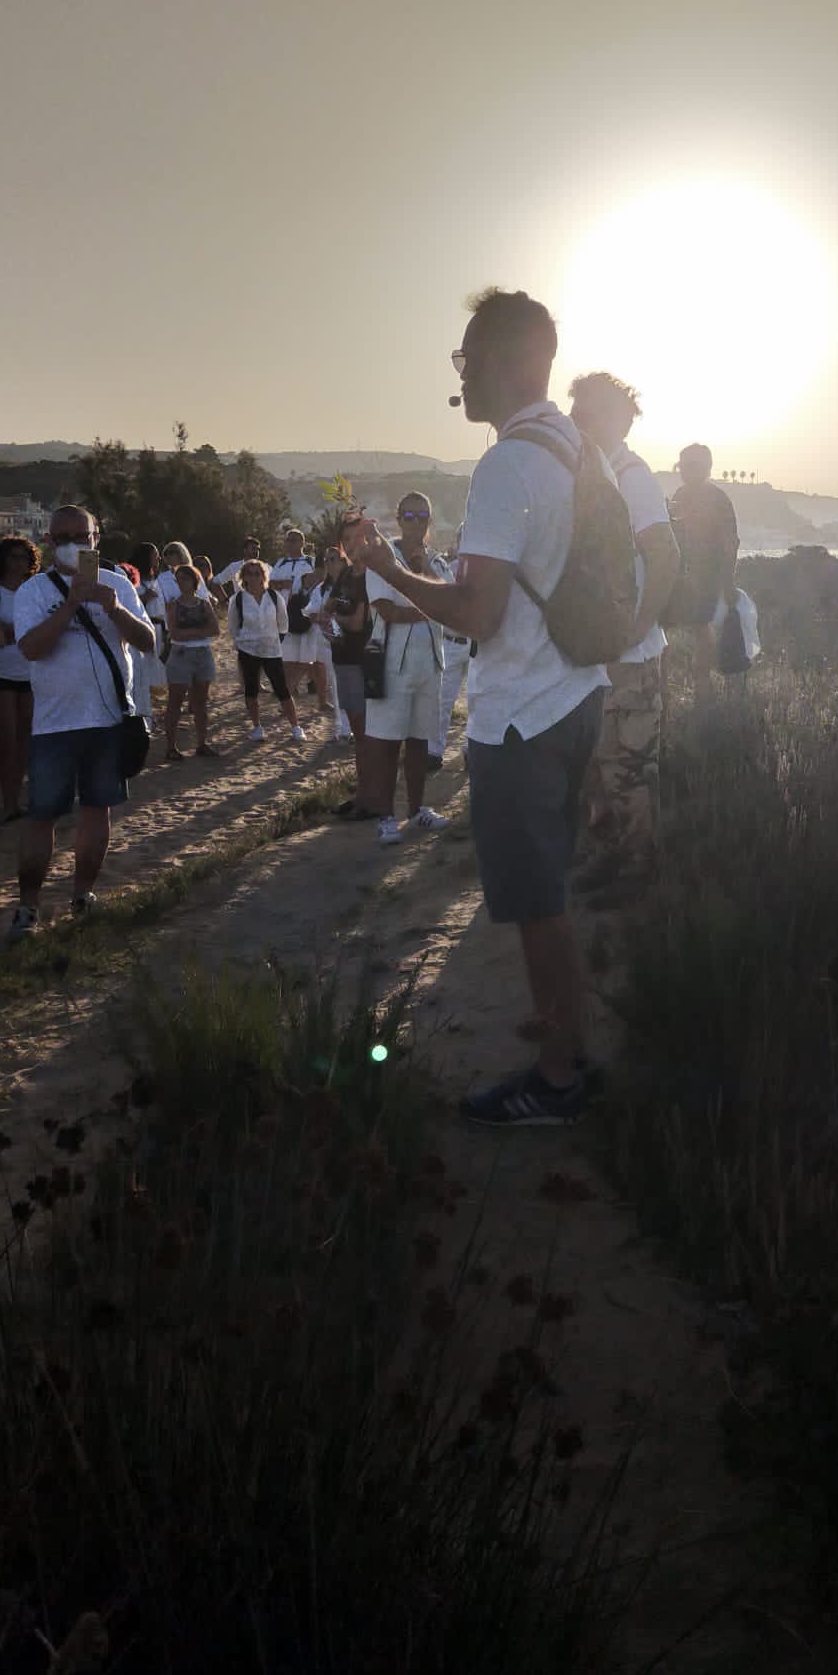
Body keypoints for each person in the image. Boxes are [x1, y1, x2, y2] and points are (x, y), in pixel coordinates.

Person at [353, 288, 609, 1125]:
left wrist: (388, 570)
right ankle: (566, 1039)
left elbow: (476, 614)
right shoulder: (574, 445)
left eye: (466, 358)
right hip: (575, 690)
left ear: (504, 359)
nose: (460, 375)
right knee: (552, 893)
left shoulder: (506, 465)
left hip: (522, 713)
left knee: (537, 903)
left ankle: (561, 1076)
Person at [8, 505, 155, 939]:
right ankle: (28, 907)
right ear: (50, 542)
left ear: (96, 538)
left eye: (83, 535)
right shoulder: (33, 592)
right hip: (54, 725)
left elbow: (147, 641)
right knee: (43, 815)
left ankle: (82, 896)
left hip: (109, 719)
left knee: (98, 809)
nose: (75, 543)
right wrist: (71, 604)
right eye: (64, 536)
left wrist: (115, 609)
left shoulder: (116, 585)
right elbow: (32, 649)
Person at [568, 372, 679, 886]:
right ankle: (609, 862)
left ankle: (638, 881)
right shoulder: (595, 476)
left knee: (629, 773)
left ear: (615, 418)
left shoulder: (632, 479)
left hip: (629, 662)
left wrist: (635, 630)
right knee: (596, 769)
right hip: (595, 658)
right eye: (573, 408)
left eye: (584, 409)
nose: (574, 417)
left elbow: (665, 556)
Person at [360, 492, 452, 846]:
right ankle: (385, 816)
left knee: (418, 742)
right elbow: (388, 612)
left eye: (423, 516)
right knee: (386, 743)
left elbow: (450, 598)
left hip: (429, 664)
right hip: (392, 665)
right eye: (410, 515)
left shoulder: (436, 562)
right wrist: (433, 609)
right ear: (398, 519)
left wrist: (424, 570)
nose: (416, 522)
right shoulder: (384, 559)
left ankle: (416, 810)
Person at [665, 442, 740, 692]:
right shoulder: (679, 496)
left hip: (707, 577)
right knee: (664, 628)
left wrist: (727, 582)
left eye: (691, 466)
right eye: (682, 466)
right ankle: (665, 683)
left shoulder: (718, 500)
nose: (685, 471)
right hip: (678, 576)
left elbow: (729, 544)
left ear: (706, 468)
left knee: (700, 626)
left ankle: (702, 682)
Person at [313, 515, 375, 815]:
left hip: (364, 662)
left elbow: (355, 622)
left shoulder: (370, 576)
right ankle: (364, 794)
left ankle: (369, 798)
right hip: (343, 659)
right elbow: (328, 608)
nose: (352, 545)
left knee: (365, 735)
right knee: (358, 732)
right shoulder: (346, 575)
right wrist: (329, 617)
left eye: (357, 538)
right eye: (347, 540)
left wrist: (332, 618)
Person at [0, 533, 38, 822]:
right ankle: (8, 803)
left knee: (25, 741)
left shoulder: (35, 592)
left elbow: (33, 630)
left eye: (23, 557)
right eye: (13, 556)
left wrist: (9, 631)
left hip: (30, 673)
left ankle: (19, 799)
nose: (18, 563)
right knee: (7, 740)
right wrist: (18, 631)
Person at [228, 559, 303, 740]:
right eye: (250, 574)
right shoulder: (237, 599)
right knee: (251, 689)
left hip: (272, 649)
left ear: (264, 576)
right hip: (248, 649)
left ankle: (296, 727)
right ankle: (257, 727)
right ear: (243, 577)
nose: (254, 577)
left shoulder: (274, 597)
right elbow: (233, 626)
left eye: (258, 573)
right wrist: (243, 642)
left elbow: (283, 624)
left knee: (282, 689)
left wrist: (275, 641)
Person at [273, 528, 337, 724]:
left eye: (294, 540)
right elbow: (270, 583)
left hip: (310, 615)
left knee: (313, 661)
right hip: (288, 615)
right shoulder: (280, 562)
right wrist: (288, 584)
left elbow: (314, 580)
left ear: (302, 542)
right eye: (288, 540)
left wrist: (290, 584)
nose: (291, 543)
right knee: (292, 661)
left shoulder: (310, 561)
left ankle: (320, 700)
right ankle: (288, 698)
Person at [163, 561, 220, 759]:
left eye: (184, 579)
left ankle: (202, 743)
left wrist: (190, 633)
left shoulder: (203, 604)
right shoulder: (173, 605)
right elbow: (175, 633)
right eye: (178, 580)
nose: (180, 583)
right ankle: (171, 746)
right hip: (181, 654)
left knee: (201, 702)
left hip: (202, 654)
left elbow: (215, 629)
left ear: (194, 581)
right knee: (175, 702)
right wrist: (199, 633)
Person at [432, 521, 471, 770]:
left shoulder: (491, 572)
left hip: (479, 643)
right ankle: (434, 751)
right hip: (453, 642)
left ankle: (471, 750)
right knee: (443, 700)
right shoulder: (449, 569)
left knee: (478, 700)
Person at [129, 542, 170, 728]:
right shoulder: (132, 579)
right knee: (141, 674)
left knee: (154, 673)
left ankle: (150, 713)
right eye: (155, 555)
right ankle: (143, 716)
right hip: (143, 630)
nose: (158, 559)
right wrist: (143, 599)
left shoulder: (157, 579)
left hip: (159, 630)